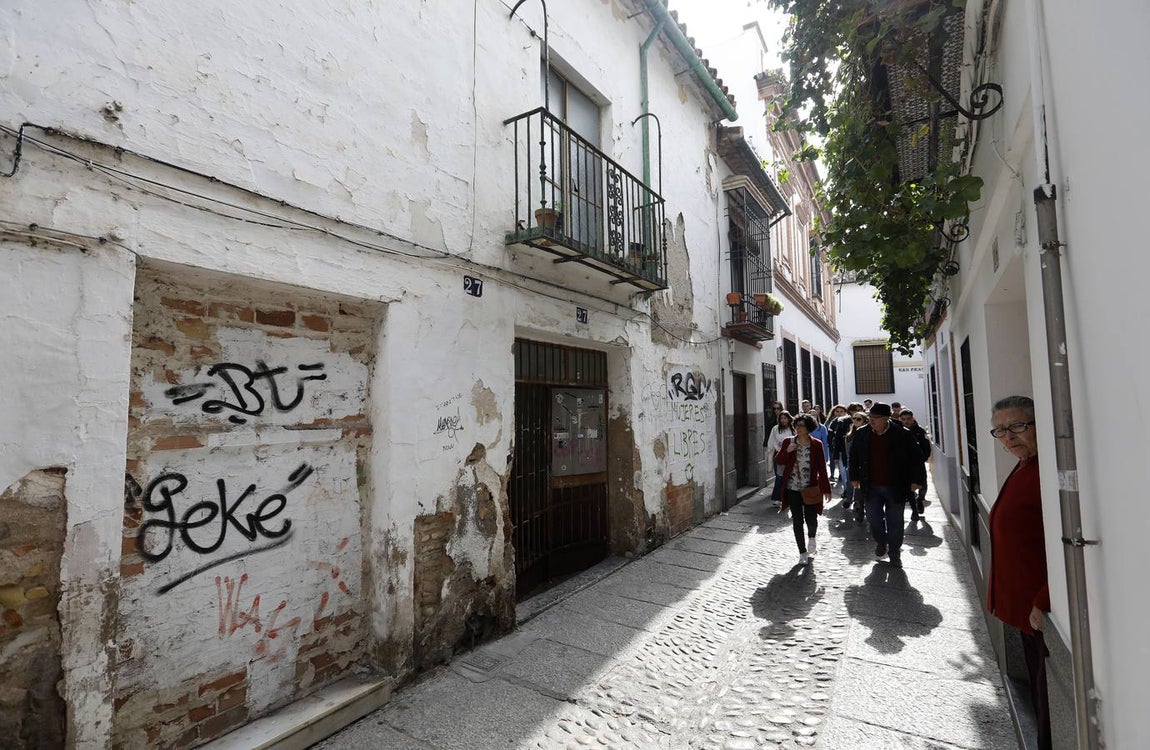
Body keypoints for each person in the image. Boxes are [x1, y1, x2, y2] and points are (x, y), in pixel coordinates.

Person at [986, 395, 1050, 750]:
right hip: (1026, 611)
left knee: (1046, 703)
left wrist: (1043, 599)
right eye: (1001, 430)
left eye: (1018, 426)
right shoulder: (1025, 464)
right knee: (1040, 702)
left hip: (1041, 612)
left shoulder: (1046, 469)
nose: (1009, 437)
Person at [848, 402, 926, 567]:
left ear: (886, 419)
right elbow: (853, 456)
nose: (871, 421)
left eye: (875, 418)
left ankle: (894, 552)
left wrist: (917, 481)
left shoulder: (902, 434)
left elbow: (916, 458)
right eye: (870, 418)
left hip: (896, 485)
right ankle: (881, 541)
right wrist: (853, 476)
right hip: (871, 485)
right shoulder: (863, 433)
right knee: (873, 518)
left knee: (896, 521)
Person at [774, 414, 832, 565]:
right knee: (797, 520)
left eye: (801, 426)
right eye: (796, 425)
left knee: (811, 518)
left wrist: (826, 489)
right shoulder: (789, 441)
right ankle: (802, 553)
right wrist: (787, 451)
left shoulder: (816, 444)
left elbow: (821, 468)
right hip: (792, 488)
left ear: (808, 428)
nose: (798, 428)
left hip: (810, 488)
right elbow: (779, 461)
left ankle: (812, 537)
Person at [899, 409, 931, 520]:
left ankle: (920, 499)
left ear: (913, 418)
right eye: (903, 419)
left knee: (923, 486)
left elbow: (926, 447)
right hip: (905, 466)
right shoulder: (898, 432)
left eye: (908, 419)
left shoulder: (920, 431)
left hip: (918, 465)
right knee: (909, 490)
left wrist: (923, 458)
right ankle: (914, 511)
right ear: (900, 420)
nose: (906, 421)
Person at [764, 410, 796, 508]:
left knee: (790, 477)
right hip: (779, 456)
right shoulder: (775, 429)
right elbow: (772, 441)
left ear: (789, 419)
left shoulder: (793, 429)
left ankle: (788, 498)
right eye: (781, 418)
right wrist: (779, 450)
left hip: (791, 456)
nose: (783, 420)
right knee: (779, 477)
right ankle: (777, 498)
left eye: (785, 418)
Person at [843, 410, 867, 521]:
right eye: (854, 418)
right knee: (849, 482)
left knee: (859, 485)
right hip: (851, 463)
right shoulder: (849, 435)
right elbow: (848, 451)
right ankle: (848, 498)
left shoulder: (867, 434)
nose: (856, 421)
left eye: (859, 419)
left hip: (863, 464)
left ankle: (858, 502)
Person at [824, 404, 848, 482]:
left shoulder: (848, 422)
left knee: (846, 471)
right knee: (842, 470)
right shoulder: (833, 423)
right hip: (836, 449)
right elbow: (829, 438)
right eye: (837, 411)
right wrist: (832, 449)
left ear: (845, 412)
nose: (839, 413)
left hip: (846, 450)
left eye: (841, 411)